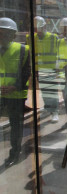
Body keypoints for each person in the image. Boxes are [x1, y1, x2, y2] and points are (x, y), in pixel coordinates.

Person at [0, 17, 31, 167]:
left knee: (15, 126)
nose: (3, 36)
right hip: (1, 94)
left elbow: (26, 72)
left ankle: (15, 153)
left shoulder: (23, 50)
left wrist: (14, 87)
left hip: (16, 95)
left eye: (6, 33)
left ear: (13, 35)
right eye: (0, 33)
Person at [27, 16, 59, 122]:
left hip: (51, 69)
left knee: (52, 90)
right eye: (36, 28)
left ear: (44, 26)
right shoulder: (30, 38)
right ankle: (48, 107)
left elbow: (59, 53)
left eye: (39, 28)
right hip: (38, 69)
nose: (38, 30)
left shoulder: (53, 38)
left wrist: (58, 69)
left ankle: (54, 111)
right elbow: (30, 53)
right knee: (44, 90)